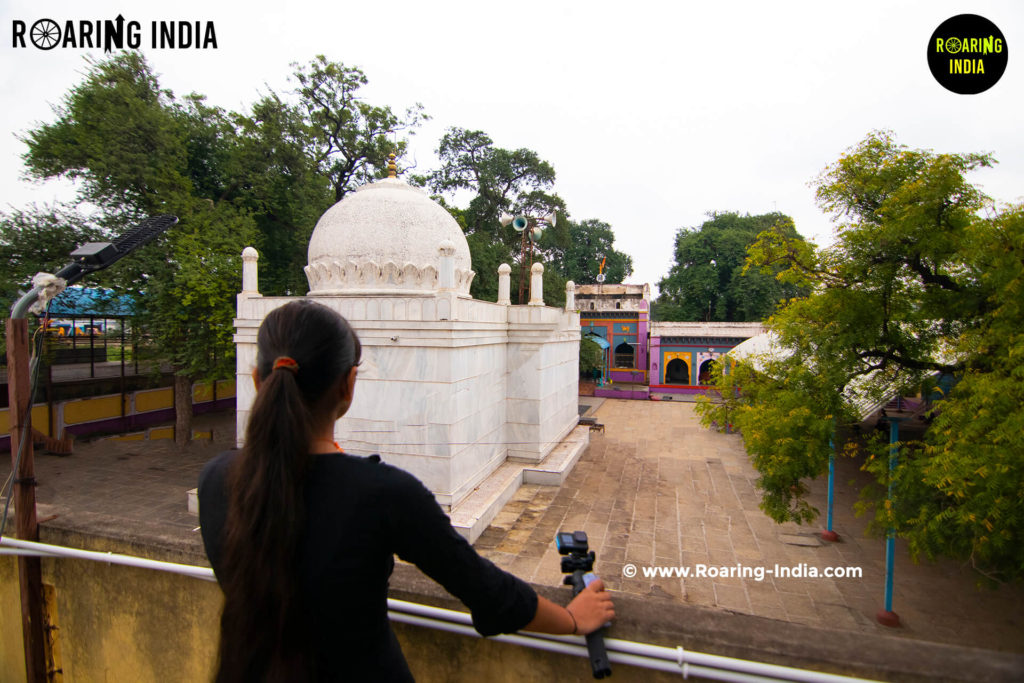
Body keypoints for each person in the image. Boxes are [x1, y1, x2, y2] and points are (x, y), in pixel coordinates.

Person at [199, 300, 614, 682]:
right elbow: (488, 593)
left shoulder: (216, 481)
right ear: (348, 385)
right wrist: (572, 620)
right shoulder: (382, 495)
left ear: (258, 381)